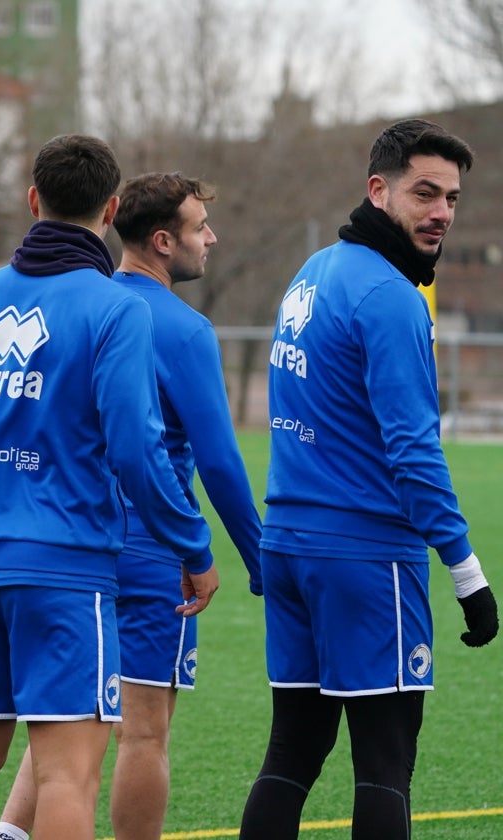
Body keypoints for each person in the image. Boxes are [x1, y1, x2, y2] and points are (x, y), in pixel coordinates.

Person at [0, 134, 220, 840]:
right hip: (66, 573)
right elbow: (138, 450)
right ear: (109, 210)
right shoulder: (114, 309)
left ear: (33, 199)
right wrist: (192, 548)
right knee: (66, 776)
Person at [239, 119, 498, 839]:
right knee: (385, 764)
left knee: (291, 753)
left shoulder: (312, 271)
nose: (442, 211)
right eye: (425, 193)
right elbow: (415, 455)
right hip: (363, 557)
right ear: (377, 190)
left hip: (289, 544)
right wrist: (467, 573)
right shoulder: (389, 297)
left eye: (451, 198)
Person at [0, 172, 263, 840]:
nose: (212, 238)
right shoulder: (182, 328)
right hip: (150, 552)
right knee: (144, 733)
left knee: (67, 721)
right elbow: (222, 463)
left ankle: (6, 836)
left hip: (65, 541)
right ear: (164, 242)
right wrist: (262, 561)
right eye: (201, 227)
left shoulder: (78, 303)